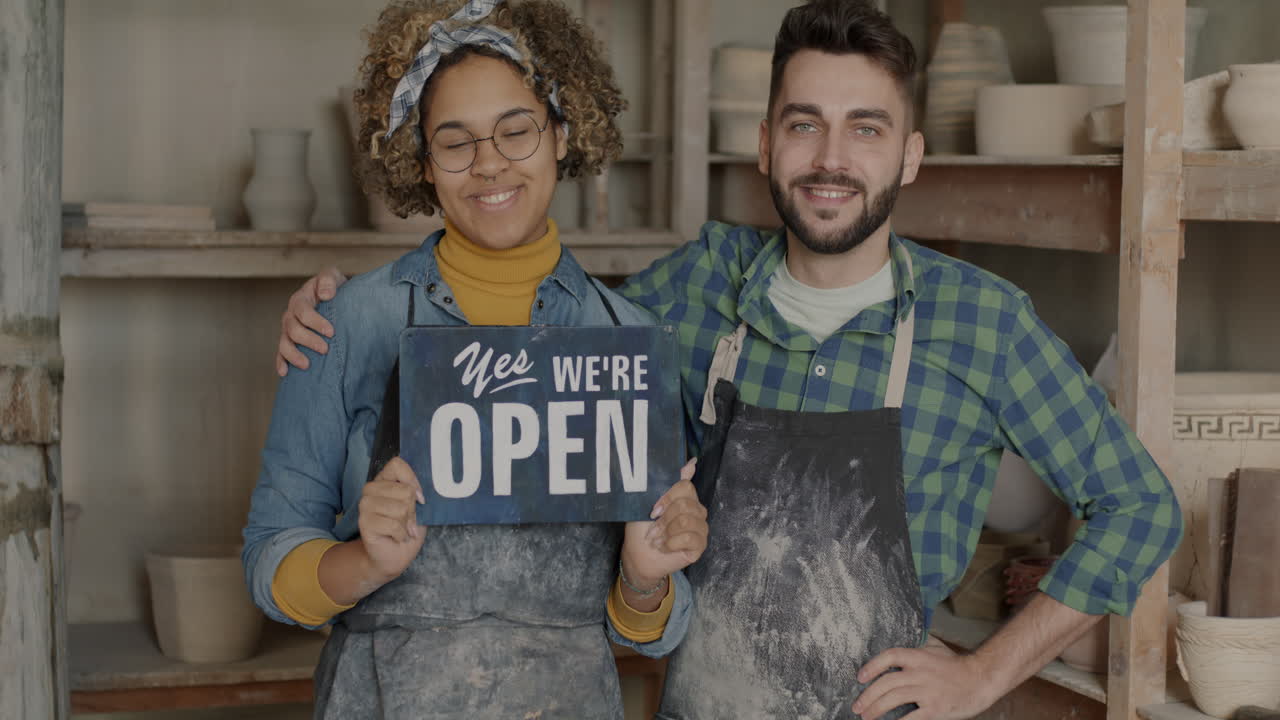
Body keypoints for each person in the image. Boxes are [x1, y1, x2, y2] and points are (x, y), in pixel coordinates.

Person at [275, 1, 1183, 718]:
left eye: (866, 128)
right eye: (804, 124)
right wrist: (342, 312)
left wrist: (985, 674)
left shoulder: (984, 322)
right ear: (764, 143)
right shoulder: (690, 291)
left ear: (911, 156)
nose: (831, 158)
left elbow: (1139, 510)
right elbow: (529, 312)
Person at [241, 1, 708, 718]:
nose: (489, 163)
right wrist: (365, 562)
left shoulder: (627, 342)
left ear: (560, 131)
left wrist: (645, 577)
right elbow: (270, 561)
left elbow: (653, 629)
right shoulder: (345, 324)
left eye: (516, 130)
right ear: (423, 165)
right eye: (455, 143)